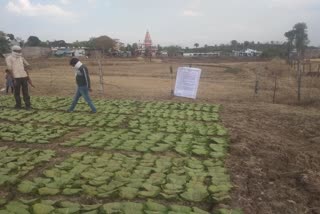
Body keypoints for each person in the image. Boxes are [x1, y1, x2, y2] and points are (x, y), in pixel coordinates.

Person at [5, 45, 32, 110]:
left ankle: (28, 105)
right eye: (18, 51)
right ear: (14, 51)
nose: (19, 52)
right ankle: (18, 105)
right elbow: (9, 69)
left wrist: (25, 68)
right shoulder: (9, 58)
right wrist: (13, 78)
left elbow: (28, 65)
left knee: (25, 92)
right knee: (17, 92)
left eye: (20, 51)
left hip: (24, 76)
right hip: (16, 77)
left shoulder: (21, 57)